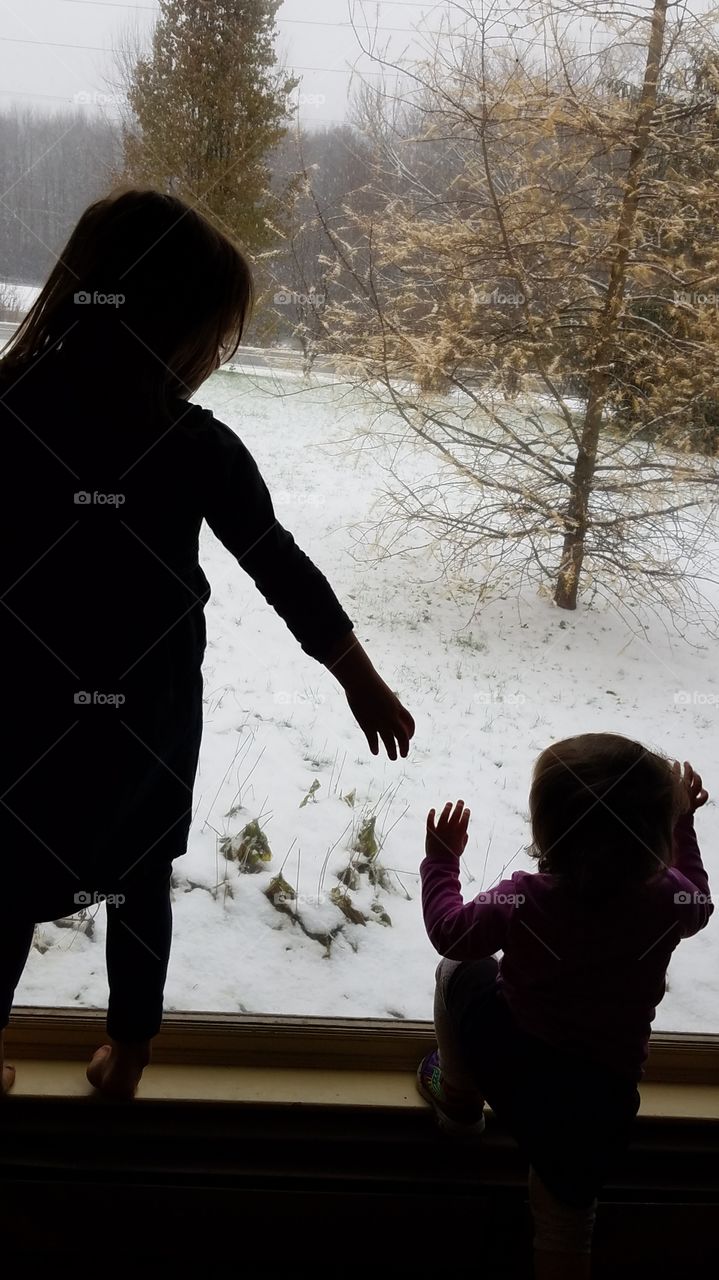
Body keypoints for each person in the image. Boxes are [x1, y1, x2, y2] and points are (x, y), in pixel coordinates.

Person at [0, 189, 415, 1098]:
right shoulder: (195, 446)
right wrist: (359, 677)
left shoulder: (8, 409)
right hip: (143, 717)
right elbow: (279, 563)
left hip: (20, 707)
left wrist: (358, 675)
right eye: (208, 337)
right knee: (141, 875)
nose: (209, 362)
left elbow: (279, 564)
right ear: (168, 324)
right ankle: (131, 1056)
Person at [418, 735, 712, 1279]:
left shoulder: (525, 897)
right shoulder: (671, 897)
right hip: (602, 1101)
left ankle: (458, 1101)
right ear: (653, 836)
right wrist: (682, 826)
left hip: (517, 1066)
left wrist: (441, 863)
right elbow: (699, 897)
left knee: (458, 974)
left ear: (547, 831)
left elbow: (451, 935)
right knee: (565, 1222)